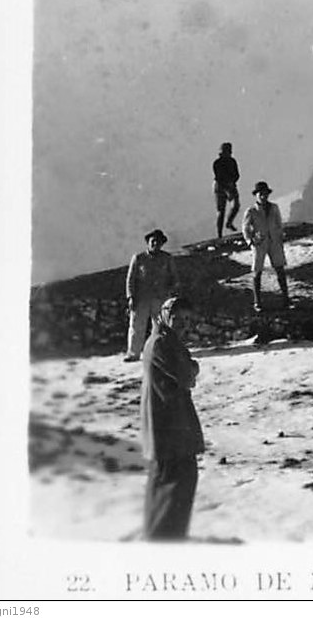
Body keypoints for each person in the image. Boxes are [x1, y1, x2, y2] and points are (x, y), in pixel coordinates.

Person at [140, 296, 205, 541]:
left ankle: (165, 538)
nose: (184, 324)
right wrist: (192, 367)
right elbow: (186, 374)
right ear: (167, 315)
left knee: (174, 483)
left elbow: (185, 371)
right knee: (173, 483)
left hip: (171, 424)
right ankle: (163, 541)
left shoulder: (167, 341)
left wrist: (189, 367)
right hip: (168, 426)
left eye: (188, 320)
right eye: (179, 318)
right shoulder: (161, 343)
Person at [125, 229, 177, 361]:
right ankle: (133, 354)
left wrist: (170, 295)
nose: (155, 244)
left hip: (160, 299)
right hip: (141, 298)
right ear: (148, 243)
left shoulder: (167, 259)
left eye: (158, 242)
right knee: (137, 326)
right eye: (153, 241)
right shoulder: (138, 258)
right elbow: (130, 279)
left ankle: (160, 353)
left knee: (161, 327)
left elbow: (174, 278)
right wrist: (130, 297)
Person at [242, 181, 289, 311]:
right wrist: (251, 242)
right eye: (261, 194)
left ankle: (286, 299)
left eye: (265, 194)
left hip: (274, 242)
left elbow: (279, 223)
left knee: (280, 269)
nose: (263, 196)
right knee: (257, 271)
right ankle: (257, 302)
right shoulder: (251, 211)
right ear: (256, 195)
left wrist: (279, 236)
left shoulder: (274, 208)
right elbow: (245, 228)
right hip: (260, 243)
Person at [212, 143, 241, 238]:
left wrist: (232, 183)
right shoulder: (217, 163)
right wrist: (227, 187)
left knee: (236, 205)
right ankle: (219, 234)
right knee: (221, 211)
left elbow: (237, 175)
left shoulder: (232, 161)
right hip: (219, 186)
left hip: (231, 184)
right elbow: (219, 178)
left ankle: (229, 222)